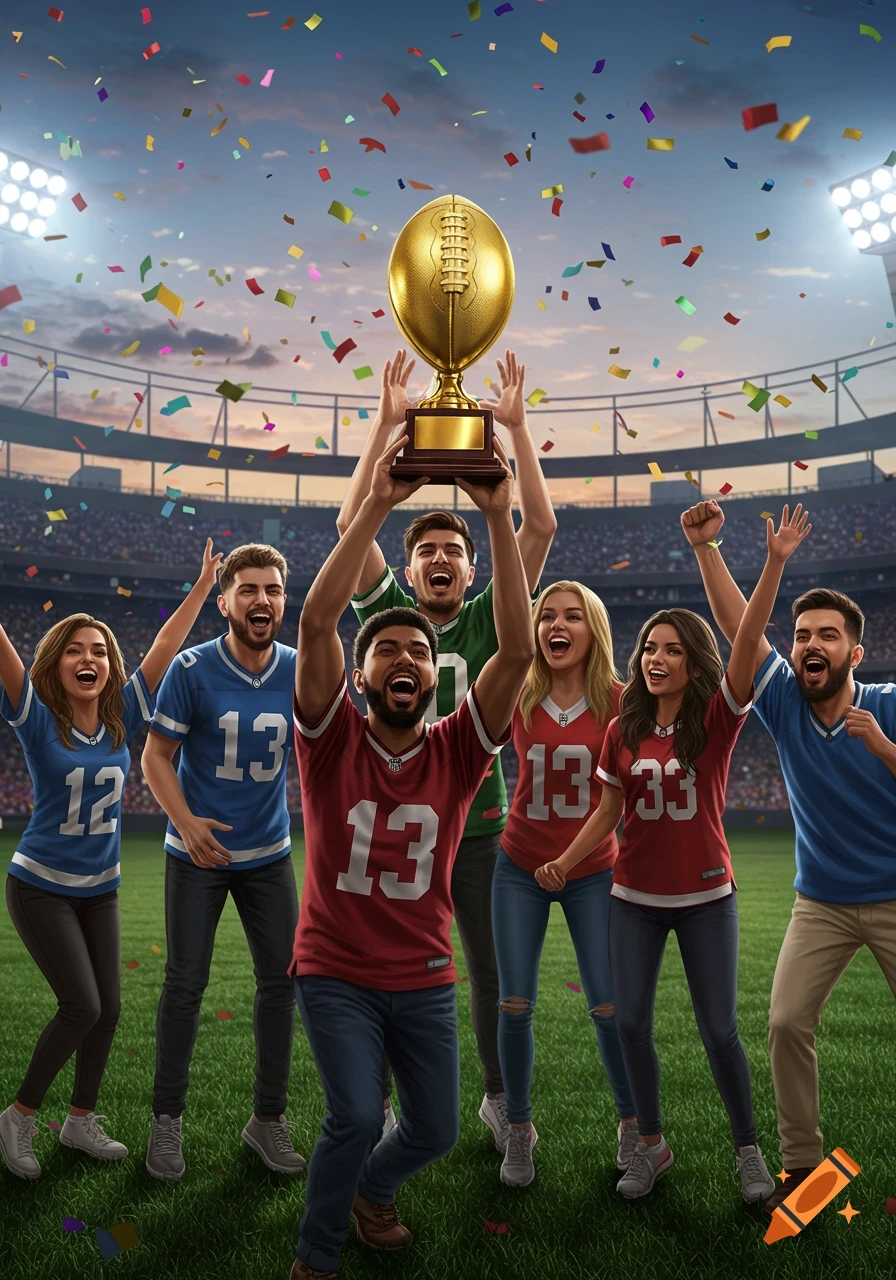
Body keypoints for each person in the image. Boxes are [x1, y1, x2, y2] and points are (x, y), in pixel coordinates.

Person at [288, 430, 535, 1279]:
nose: (405, 657)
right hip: (337, 968)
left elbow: (518, 650)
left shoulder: (460, 750)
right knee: (355, 1114)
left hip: (424, 974)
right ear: (358, 677)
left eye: (420, 651)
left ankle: (368, 1191)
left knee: (434, 1129)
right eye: (386, 649)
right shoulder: (326, 741)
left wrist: (500, 519)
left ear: (436, 677)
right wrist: (378, 506)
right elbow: (319, 618)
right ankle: (316, 1258)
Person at [537, 507, 812, 1203]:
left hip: (706, 898)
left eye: (671, 650)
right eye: (648, 649)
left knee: (720, 1031)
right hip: (632, 898)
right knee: (629, 1023)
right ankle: (650, 1145)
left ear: (694, 661)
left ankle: (749, 1153)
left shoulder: (716, 716)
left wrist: (759, 558)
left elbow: (746, 638)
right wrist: (568, 862)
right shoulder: (623, 725)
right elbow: (608, 809)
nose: (654, 658)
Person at [338, 348, 555, 1151]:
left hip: (479, 821)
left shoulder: (498, 606)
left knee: (493, 975)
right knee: (384, 969)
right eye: (425, 550)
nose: (438, 559)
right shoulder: (387, 613)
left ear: (470, 566)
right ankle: (387, 1105)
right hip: (394, 821)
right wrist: (386, 427)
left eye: (451, 551)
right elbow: (346, 524)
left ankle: (500, 1102)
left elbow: (542, 525)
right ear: (409, 565)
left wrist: (517, 432)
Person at [682, 498, 896, 1214]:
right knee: (783, 1022)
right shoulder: (784, 706)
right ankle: (806, 1170)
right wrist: (713, 551)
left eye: (827, 636)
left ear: (854, 653)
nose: (811, 645)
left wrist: (885, 748)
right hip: (823, 903)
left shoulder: (891, 706)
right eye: (802, 634)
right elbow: (739, 631)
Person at [0, 541, 221, 1181]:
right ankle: (17, 1116)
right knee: (83, 1008)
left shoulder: (122, 717)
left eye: (99, 649)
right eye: (74, 649)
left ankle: (79, 1120)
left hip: (102, 888)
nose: (88, 657)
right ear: (55, 662)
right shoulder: (37, 716)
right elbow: (6, 655)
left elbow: (162, 651)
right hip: (41, 885)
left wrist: (204, 585)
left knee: (111, 1010)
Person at [142, 543, 305, 1181]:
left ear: (283, 600)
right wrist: (185, 823)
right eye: (248, 589)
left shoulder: (300, 666)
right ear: (225, 599)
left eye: (272, 589)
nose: (261, 600)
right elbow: (155, 757)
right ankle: (166, 1122)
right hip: (196, 854)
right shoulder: (191, 668)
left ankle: (267, 1121)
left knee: (281, 985)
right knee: (185, 984)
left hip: (269, 854)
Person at [491, 581, 638, 1187]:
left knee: (608, 1006)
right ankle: (519, 1130)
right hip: (519, 864)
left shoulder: (623, 702)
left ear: (593, 629)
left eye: (572, 616)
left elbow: (626, 795)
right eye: (546, 615)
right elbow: (461, 748)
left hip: (594, 871)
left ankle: (635, 1127)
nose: (556, 624)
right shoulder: (517, 691)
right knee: (515, 1002)